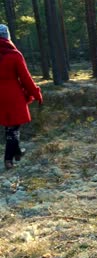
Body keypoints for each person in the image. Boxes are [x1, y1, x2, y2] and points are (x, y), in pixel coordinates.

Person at [0, 24, 43, 170]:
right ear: (7, 37)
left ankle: (17, 152)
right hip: (12, 95)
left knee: (9, 126)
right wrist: (36, 93)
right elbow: (25, 78)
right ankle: (8, 159)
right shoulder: (14, 55)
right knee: (14, 127)